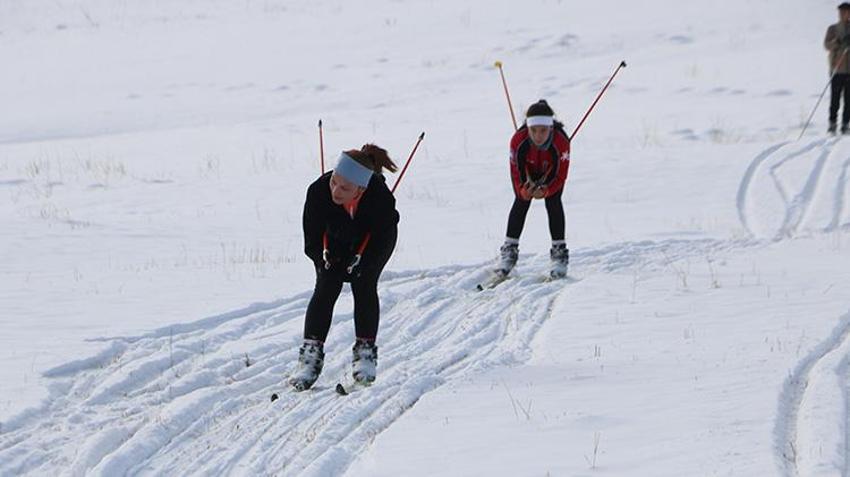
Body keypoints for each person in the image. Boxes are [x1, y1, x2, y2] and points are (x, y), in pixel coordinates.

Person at [290, 144, 399, 391]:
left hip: (371, 244)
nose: (336, 191)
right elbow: (311, 238)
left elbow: (383, 236)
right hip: (334, 243)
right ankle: (310, 358)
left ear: (360, 189)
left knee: (364, 284)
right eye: (334, 182)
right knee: (326, 285)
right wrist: (322, 258)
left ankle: (365, 355)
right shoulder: (318, 191)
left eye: (345, 188)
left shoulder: (379, 198)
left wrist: (365, 261)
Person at [495, 99, 571, 279]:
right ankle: (509, 251)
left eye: (543, 130)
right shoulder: (518, 141)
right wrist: (523, 190)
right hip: (527, 172)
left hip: (550, 174)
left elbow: (560, 177)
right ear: (527, 128)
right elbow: (516, 174)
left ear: (551, 129)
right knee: (521, 201)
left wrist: (546, 190)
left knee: (553, 201)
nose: (538, 136)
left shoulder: (561, 142)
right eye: (533, 130)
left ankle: (559, 254)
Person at [825, 2, 850, 134]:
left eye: (845, 11)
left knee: (848, 100)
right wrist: (837, 42)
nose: (843, 14)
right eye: (841, 12)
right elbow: (826, 45)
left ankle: (845, 124)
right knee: (835, 98)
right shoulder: (832, 29)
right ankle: (832, 124)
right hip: (837, 69)